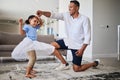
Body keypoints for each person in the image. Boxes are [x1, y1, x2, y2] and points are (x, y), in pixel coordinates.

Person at [36, 0, 100, 72]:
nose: (69, 8)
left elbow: (88, 36)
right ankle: (65, 64)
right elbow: (53, 15)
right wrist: (42, 12)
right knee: (51, 46)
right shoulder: (66, 15)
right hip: (68, 41)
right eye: (69, 7)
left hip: (78, 45)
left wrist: (82, 49)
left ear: (77, 8)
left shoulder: (85, 19)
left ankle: (94, 63)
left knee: (76, 69)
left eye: (71, 7)